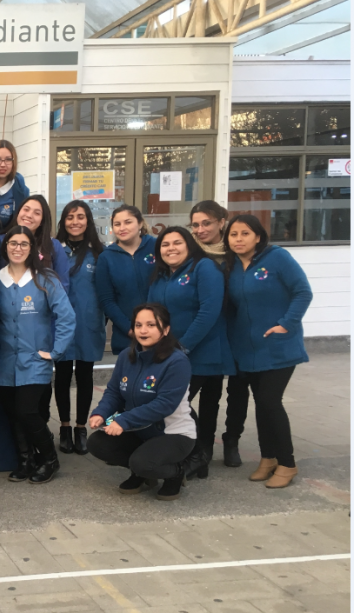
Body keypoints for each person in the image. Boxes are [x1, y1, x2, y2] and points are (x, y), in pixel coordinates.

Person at [224, 215, 313, 489]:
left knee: (270, 402)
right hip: (247, 349)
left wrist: (286, 325)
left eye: (245, 233)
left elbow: (303, 292)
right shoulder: (231, 267)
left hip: (278, 347)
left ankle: (287, 463)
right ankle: (268, 459)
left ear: (258, 237)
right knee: (261, 404)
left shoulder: (278, 258)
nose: (238, 239)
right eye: (233, 234)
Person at [88, 304, 204, 501]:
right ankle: (142, 472)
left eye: (151, 325)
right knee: (97, 443)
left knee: (142, 462)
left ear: (165, 330)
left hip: (173, 433)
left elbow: (164, 404)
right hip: (139, 430)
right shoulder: (126, 356)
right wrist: (101, 413)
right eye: (138, 325)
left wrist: (124, 420)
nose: (143, 330)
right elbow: (114, 392)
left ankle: (176, 472)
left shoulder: (177, 361)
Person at [147, 226, 234, 478]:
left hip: (202, 350)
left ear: (189, 245)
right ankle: (197, 455)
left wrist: (183, 347)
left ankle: (198, 454)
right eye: (165, 244)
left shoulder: (204, 268)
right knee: (178, 402)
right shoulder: (161, 275)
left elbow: (209, 311)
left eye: (177, 243)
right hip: (171, 352)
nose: (171, 248)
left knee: (180, 402)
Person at [0, 227, 75, 484]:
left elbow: (66, 316)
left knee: (28, 410)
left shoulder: (45, 279)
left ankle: (50, 459)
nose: (17, 248)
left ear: (32, 249)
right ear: (5, 246)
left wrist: (56, 351)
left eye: (23, 244)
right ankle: (26, 460)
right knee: (13, 413)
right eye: (13, 243)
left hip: (35, 360)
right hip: (5, 361)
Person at [189, 200, 248, 468]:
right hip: (205, 331)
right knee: (207, 390)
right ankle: (202, 444)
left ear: (221, 222)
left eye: (206, 223)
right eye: (196, 224)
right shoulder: (190, 253)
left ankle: (232, 439)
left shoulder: (235, 253)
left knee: (237, 389)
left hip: (237, 329)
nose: (200, 230)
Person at [53, 201, 105, 455]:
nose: (75, 222)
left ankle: (81, 428)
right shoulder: (54, 249)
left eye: (81, 217)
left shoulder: (99, 252)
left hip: (88, 323)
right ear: (63, 221)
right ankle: (64, 427)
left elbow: (105, 290)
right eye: (70, 217)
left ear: (88, 220)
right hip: (61, 324)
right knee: (62, 377)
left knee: (85, 376)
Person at [96, 204, 157, 354]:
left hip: (161, 332)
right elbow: (107, 301)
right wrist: (131, 330)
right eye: (117, 224)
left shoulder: (157, 246)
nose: (122, 228)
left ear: (140, 223)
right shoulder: (106, 257)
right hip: (126, 338)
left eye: (128, 222)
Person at [14, 195, 70, 290]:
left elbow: (62, 285)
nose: (29, 215)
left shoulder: (54, 245)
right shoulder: (1, 241)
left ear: (42, 221)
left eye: (37, 213)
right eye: (26, 209)